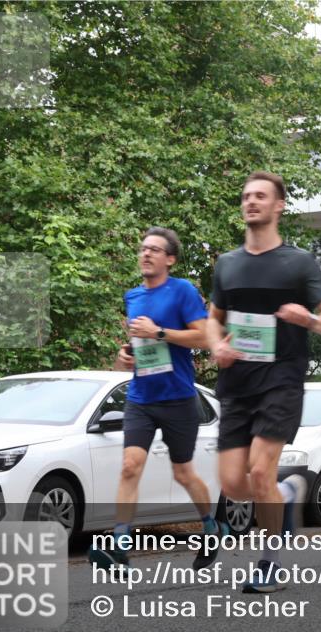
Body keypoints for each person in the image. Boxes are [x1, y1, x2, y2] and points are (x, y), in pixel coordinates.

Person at [208, 171, 321, 593]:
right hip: (236, 385)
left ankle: (269, 565)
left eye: (260, 196)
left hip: (282, 382)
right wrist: (216, 346)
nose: (251, 202)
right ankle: (285, 494)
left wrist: (309, 318)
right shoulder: (227, 264)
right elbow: (213, 320)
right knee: (235, 484)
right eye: (246, 195)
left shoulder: (298, 262)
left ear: (279, 205)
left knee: (258, 471)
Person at [89, 227, 217, 571]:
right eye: (143, 248)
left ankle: (210, 526)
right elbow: (137, 346)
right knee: (130, 467)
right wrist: (125, 355)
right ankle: (119, 546)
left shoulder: (183, 291)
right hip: (141, 396)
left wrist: (158, 332)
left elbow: (203, 338)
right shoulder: (133, 296)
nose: (146, 254)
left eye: (155, 250)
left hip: (178, 398)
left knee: (183, 473)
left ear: (170, 259)